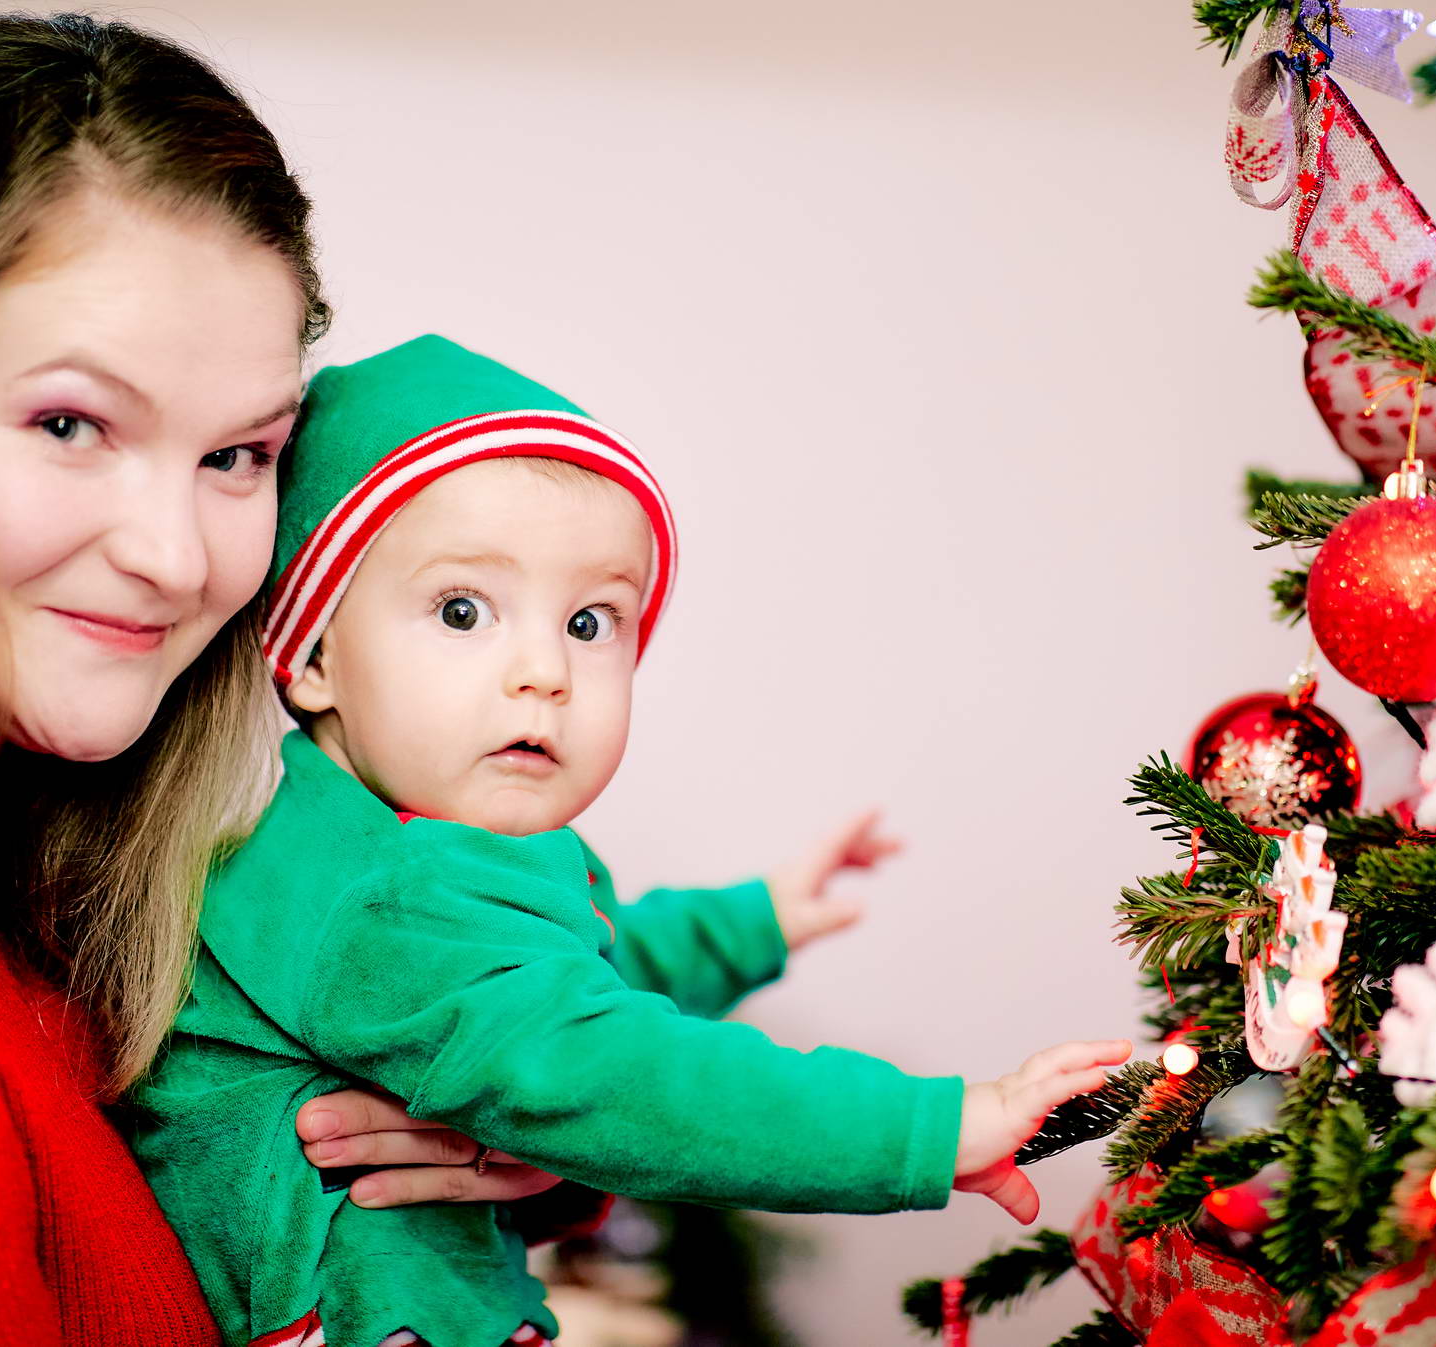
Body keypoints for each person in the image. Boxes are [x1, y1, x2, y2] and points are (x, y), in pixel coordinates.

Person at [0, 14, 560, 1343]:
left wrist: (498, 1162)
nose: (174, 557)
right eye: (71, 423)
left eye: (238, 454)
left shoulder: (12, 866)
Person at [130, 333, 1130, 1347]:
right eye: (463, 609)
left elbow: (584, 968)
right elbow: (615, 1070)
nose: (543, 671)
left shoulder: (410, 851)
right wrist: (936, 1128)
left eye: (590, 622)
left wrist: (753, 921)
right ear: (311, 659)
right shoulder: (380, 891)